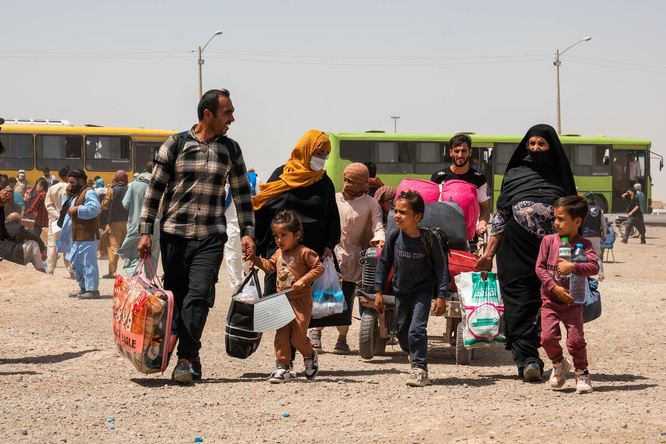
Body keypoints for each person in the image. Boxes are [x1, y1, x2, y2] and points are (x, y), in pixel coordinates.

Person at [138, 88, 256, 385]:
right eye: (227, 113)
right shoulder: (175, 144)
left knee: (200, 296)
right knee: (176, 297)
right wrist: (145, 231)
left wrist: (248, 232)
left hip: (210, 236)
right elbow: (155, 191)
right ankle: (191, 357)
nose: (232, 118)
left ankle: (186, 357)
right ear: (208, 114)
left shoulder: (231, 150)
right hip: (174, 234)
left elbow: (243, 194)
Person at [476, 124, 577, 382]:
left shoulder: (560, 176)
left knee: (548, 302)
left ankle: (542, 352)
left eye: (541, 144)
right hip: (515, 248)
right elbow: (501, 216)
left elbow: (572, 219)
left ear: (551, 147)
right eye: (531, 144)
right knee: (519, 302)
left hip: (550, 252)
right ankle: (528, 360)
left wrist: (573, 256)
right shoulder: (515, 175)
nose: (535, 148)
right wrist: (488, 254)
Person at [252, 130, 341, 318]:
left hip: (309, 255)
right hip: (281, 254)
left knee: (303, 311)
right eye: (319, 153)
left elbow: (332, 216)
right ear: (306, 151)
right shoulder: (282, 174)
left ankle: (300, 345)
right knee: (280, 310)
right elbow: (263, 209)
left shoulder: (324, 182)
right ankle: (287, 347)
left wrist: (329, 245)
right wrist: (256, 246)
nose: (323, 158)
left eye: (325, 155)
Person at [374, 190, 448, 387]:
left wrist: (441, 296)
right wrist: (379, 292)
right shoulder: (393, 237)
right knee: (402, 335)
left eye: (403, 212)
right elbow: (383, 264)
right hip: (401, 292)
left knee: (416, 330)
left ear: (417, 217)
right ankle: (413, 354)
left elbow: (442, 268)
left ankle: (420, 369)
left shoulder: (429, 239)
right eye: (395, 211)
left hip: (422, 292)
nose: (397, 216)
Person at [309, 163, 385, 353]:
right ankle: (316, 332)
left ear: (361, 182)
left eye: (351, 181)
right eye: (345, 179)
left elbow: (378, 228)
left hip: (354, 259)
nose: (346, 184)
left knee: (346, 298)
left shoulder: (371, 204)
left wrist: (379, 241)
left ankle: (341, 338)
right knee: (325, 293)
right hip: (330, 256)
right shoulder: (334, 199)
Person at [249, 211, 324, 383]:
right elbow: (269, 266)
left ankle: (309, 355)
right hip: (282, 300)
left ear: (296, 235)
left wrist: (304, 280)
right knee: (281, 335)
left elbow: (319, 268)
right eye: (276, 235)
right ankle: (283, 367)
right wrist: (254, 258)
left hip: (301, 300)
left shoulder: (305, 252)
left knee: (297, 337)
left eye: (284, 235)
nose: (279, 240)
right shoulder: (278, 253)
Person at [536, 195, 599, 393]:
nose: (556, 223)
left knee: (576, 340)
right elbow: (539, 268)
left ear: (577, 221)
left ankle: (582, 373)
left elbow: (594, 266)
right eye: (555, 218)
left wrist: (574, 266)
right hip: (550, 301)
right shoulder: (548, 241)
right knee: (547, 338)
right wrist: (553, 287)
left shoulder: (585, 245)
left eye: (561, 219)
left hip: (573, 303)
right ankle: (559, 365)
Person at [430, 133, 491, 244]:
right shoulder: (438, 177)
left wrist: (482, 225)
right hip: (441, 239)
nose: (460, 155)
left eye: (463, 151)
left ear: (470, 152)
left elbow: (485, 210)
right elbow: (431, 208)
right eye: (456, 151)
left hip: (469, 240)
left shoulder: (479, 179)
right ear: (450, 152)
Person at [61, 169, 101, 299]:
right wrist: (68, 196)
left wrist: (78, 208)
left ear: (81, 180)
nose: (70, 184)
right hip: (76, 234)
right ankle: (83, 288)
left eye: (72, 182)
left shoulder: (89, 192)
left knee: (88, 263)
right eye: (69, 182)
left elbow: (95, 209)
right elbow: (67, 210)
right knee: (77, 262)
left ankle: (93, 290)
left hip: (87, 234)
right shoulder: (76, 193)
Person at [115, 162, 160, 276]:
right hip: (156, 226)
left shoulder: (134, 184)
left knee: (133, 256)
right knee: (152, 256)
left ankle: (138, 281)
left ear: (145, 171)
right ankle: (149, 283)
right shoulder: (160, 184)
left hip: (136, 225)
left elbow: (125, 203)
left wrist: (136, 207)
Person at [224, 170, 260, 292]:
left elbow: (261, 201)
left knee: (248, 255)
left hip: (249, 225)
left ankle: (248, 285)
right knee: (232, 256)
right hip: (230, 223)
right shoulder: (221, 178)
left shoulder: (254, 180)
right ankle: (236, 288)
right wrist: (227, 185)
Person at [44, 167, 73, 277]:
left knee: (52, 246)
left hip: (54, 221)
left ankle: (50, 271)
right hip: (68, 220)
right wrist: (63, 216)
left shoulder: (52, 188)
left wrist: (57, 215)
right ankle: (71, 271)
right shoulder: (70, 187)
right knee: (68, 246)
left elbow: (48, 204)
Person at [100, 170, 129, 279]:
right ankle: (133, 271)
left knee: (114, 246)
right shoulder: (129, 189)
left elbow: (105, 206)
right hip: (128, 222)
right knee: (128, 245)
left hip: (114, 222)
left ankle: (112, 272)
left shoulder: (112, 190)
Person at [581, 192, 608, 281]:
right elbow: (603, 223)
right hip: (596, 235)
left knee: (583, 255)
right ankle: (601, 275)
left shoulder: (583, 209)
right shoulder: (599, 210)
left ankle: (584, 274)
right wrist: (604, 234)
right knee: (597, 255)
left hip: (584, 235)